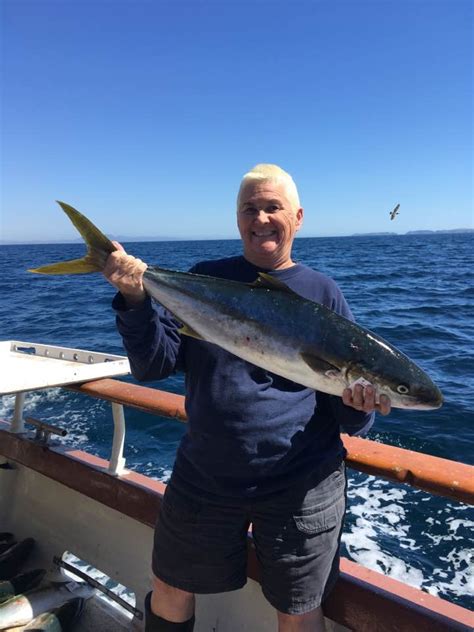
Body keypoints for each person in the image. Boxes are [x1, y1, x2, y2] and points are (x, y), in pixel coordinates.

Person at [103, 164, 391, 632]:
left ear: (297, 217)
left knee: (299, 610)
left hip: (300, 484)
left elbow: (347, 416)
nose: (260, 218)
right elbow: (154, 365)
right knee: (171, 588)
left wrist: (359, 408)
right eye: (249, 209)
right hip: (205, 473)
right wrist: (136, 300)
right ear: (237, 219)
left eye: (272, 207)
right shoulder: (205, 278)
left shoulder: (323, 294)